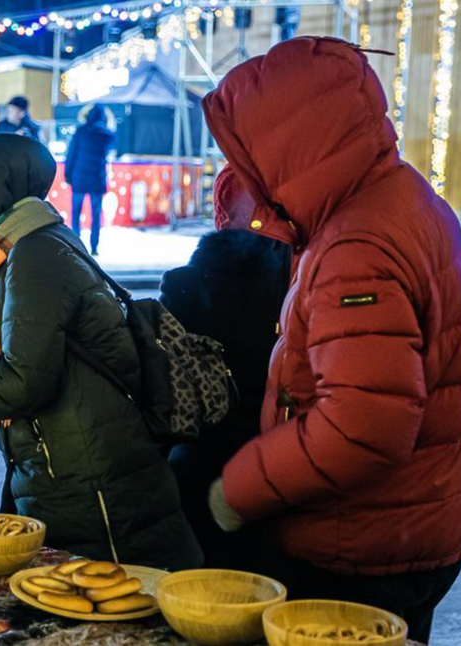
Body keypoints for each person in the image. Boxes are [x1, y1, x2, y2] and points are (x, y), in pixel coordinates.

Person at [202, 38, 461, 643]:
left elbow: (363, 425)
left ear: (288, 142)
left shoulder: (355, 243)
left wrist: (239, 488)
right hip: (418, 514)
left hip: (367, 533)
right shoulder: (392, 192)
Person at [0, 133, 204, 571]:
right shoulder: (21, 248)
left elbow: (24, 382)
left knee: (119, 615)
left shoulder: (34, 256)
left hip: (97, 488)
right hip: (70, 474)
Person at [160, 169, 292, 570]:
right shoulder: (298, 282)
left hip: (198, 463)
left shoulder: (184, 285)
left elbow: (165, 383)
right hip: (278, 464)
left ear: (220, 215)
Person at [65, 104, 115, 255]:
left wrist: (67, 175)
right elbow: (112, 149)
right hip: (97, 179)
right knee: (96, 214)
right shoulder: (107, 134)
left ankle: (76, 244)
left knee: (76, 212)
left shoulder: (80, 132)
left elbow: (71, 154)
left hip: (79, 178)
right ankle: (94, 246)